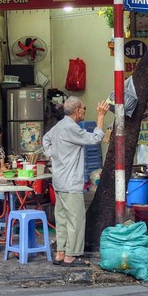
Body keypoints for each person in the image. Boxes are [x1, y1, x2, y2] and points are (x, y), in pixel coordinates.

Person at [42, 96, 109, 267]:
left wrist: (53, 154)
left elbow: (45, 140)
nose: (84, 111)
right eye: (84, 108)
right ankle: (70, 256)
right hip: (71, 182)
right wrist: (101, 117)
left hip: (59, 180)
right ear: (78, 110)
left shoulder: (59, 126)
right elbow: (95, 139)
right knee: (76, 220)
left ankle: (60, 253)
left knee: (62, 218)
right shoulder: (72, 128)